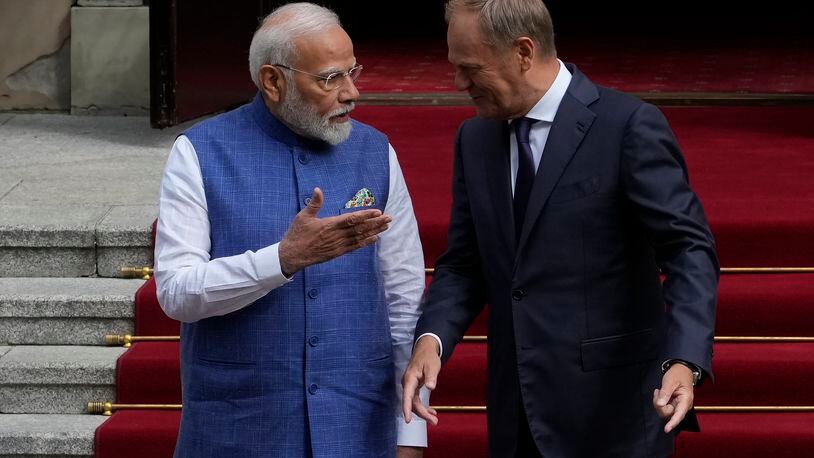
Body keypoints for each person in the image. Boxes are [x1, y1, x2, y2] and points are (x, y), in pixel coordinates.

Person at [401, 0, 719, 456]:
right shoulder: (475, 139)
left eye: (470, 68)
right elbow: (465, 263)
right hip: (517, 413)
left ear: (523, 52)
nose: (459, 84)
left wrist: (684, 359)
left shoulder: (626, 126)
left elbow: (688, 249)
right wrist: (432, 338)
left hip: (613, 414)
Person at [154, 3, 428, 457]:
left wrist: (411, 431)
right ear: (273, 81)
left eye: (352, 72)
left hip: (356, 428)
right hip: (239, 429)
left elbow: (403, 297)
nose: (351, 93)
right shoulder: (199, 153)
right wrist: (280, 261)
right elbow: (177, 291)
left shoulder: (376, 153)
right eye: (330, 79)